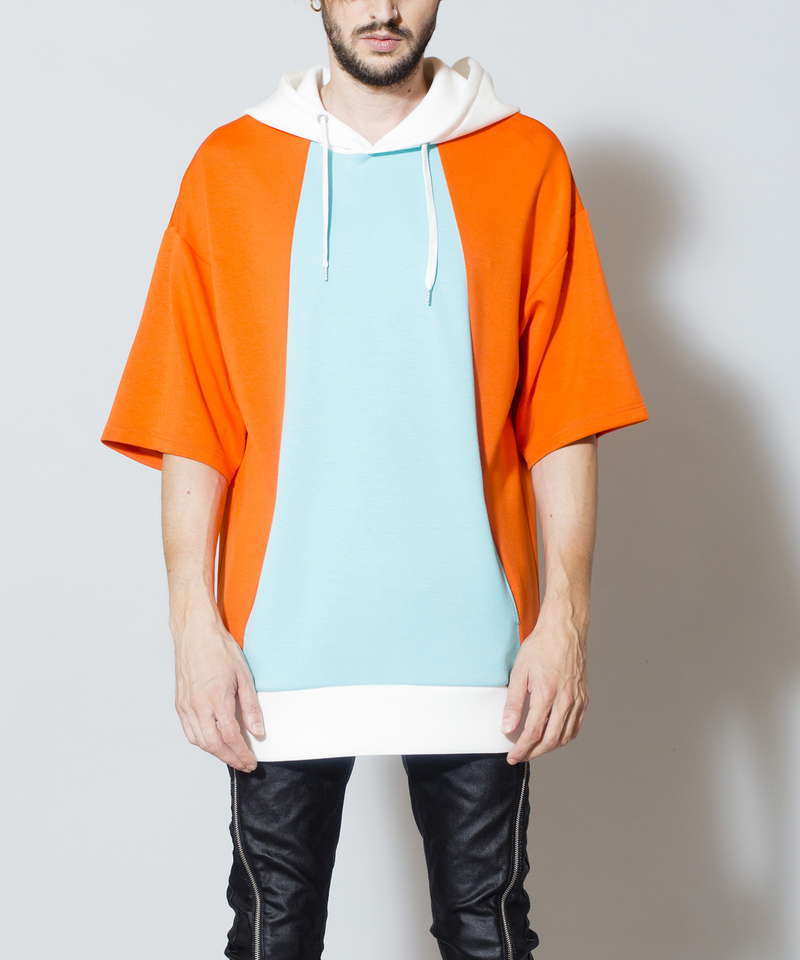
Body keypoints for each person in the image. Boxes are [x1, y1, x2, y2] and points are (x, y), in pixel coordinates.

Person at [100, 1, 650, 957]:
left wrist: (564, 622)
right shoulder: (231, 166)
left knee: (488, 933)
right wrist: (193, 627)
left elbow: (564, 416)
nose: (385, 8)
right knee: (272, 935)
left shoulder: (525, 161)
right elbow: (192, 416)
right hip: (279, 644)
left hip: (479, 640)